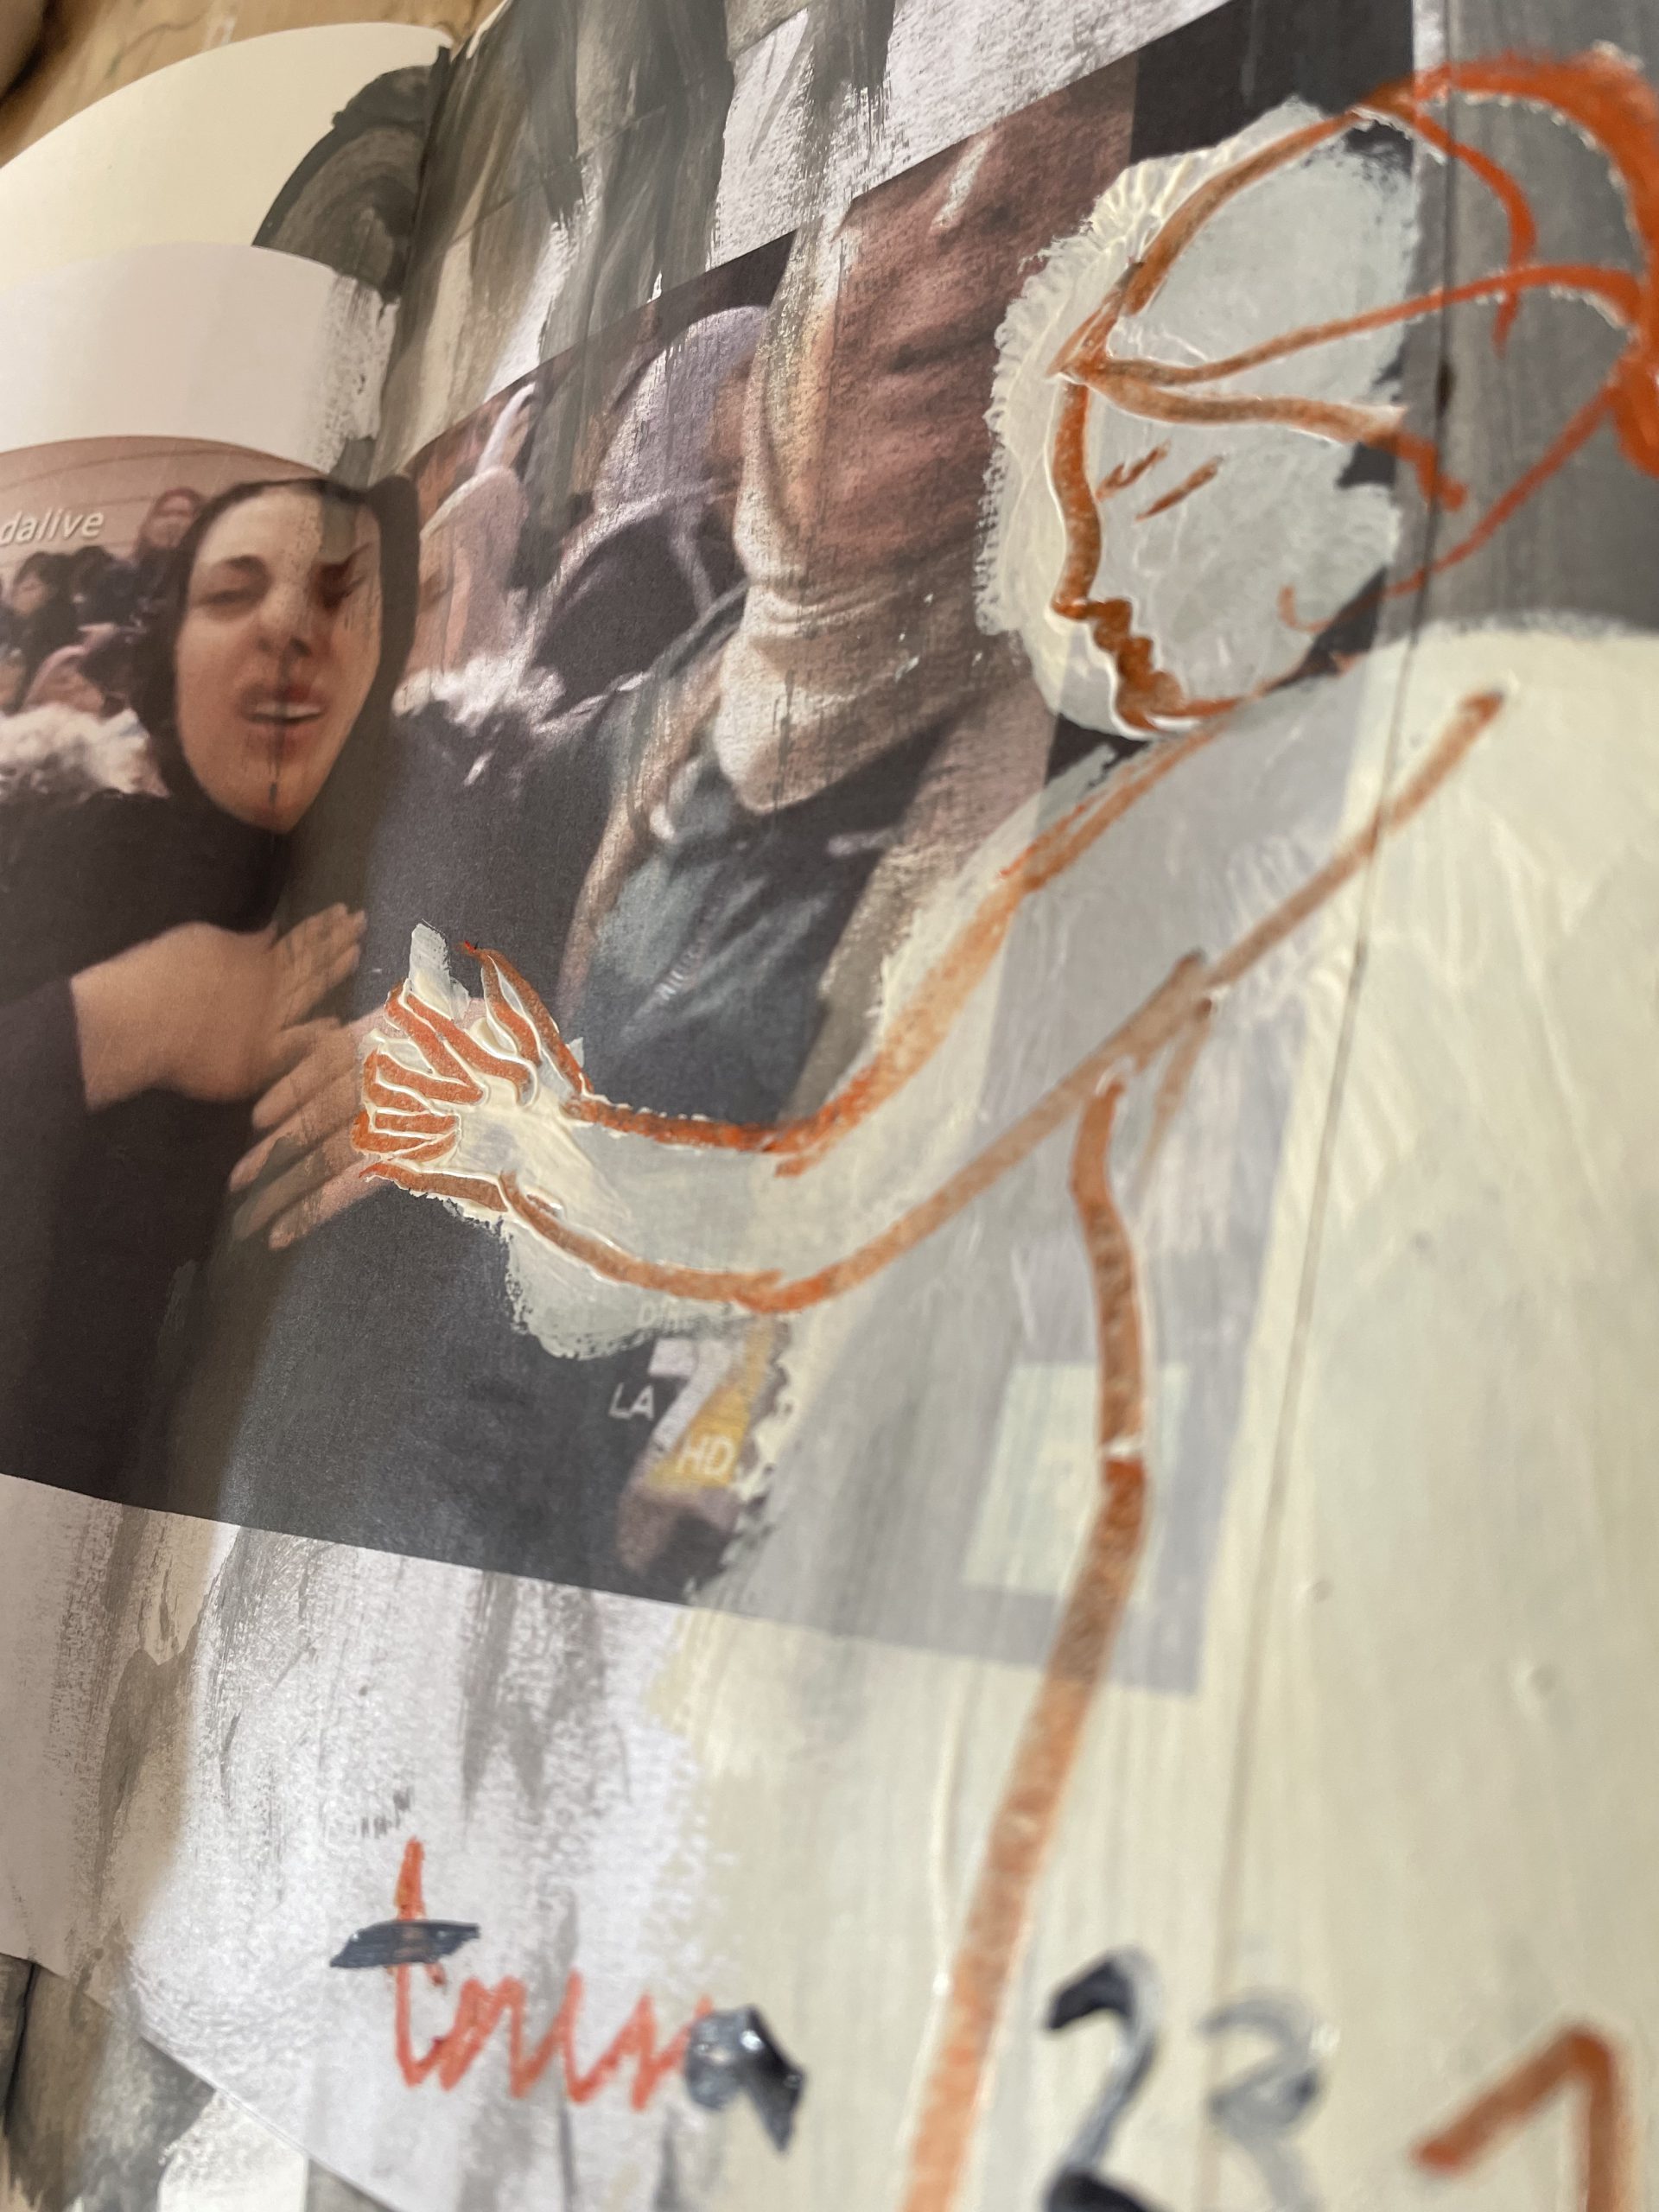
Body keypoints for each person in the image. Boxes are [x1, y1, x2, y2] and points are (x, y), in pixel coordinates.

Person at [0, 474, 413, 1501]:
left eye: (339, 595)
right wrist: (124, 1021)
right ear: (170, 659)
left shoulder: (455, 879)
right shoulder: (68, 860)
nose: (286, 627)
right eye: (232, 594)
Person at [83, 486, 203, 632]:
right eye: (164, 514)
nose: (172, 521)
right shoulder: (120, 577)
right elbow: (92, 623)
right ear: (149, 524)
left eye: (182, 514)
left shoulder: (205, 576)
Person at [3, 551, 79, 698]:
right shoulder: (17, 627)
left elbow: (21, 689)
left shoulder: (44, 630)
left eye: (30, 588)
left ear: (52, 591)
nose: (18, 593)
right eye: (17, 586)